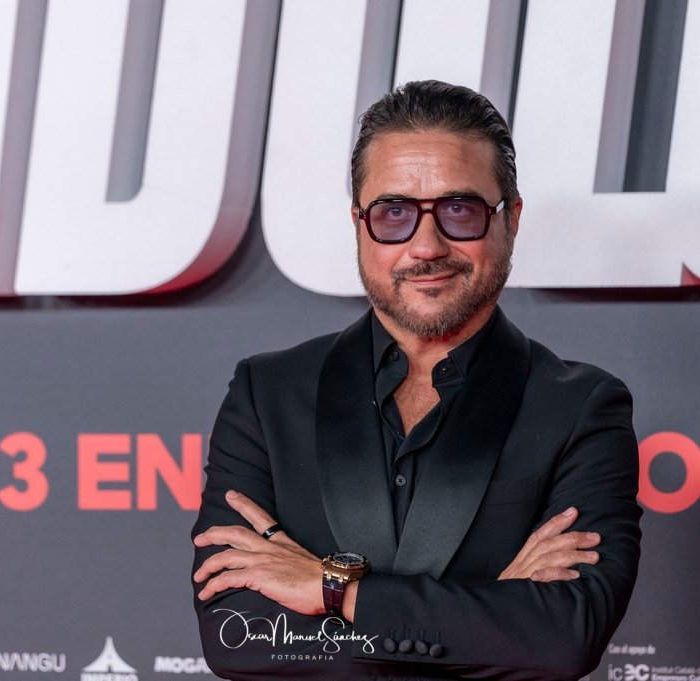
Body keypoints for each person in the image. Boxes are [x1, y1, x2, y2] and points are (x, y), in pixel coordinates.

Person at [191, 80, 641, 680]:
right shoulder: (266, 394)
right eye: (394, 213)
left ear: (510, 220)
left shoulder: (581, 407)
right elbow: (237, 637)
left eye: (459, 210)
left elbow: (561, 639)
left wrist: (331, 588)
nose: (426, 246)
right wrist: (488, 616)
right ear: (359, 224)